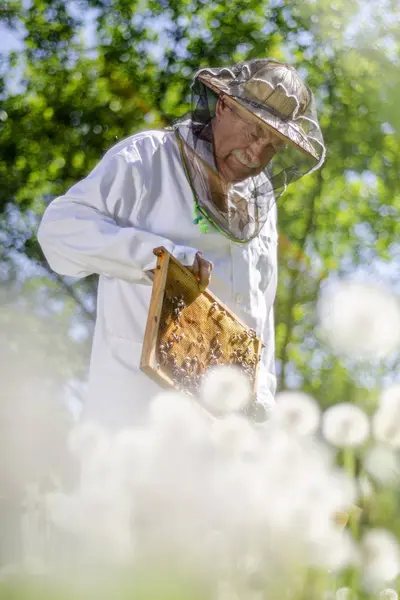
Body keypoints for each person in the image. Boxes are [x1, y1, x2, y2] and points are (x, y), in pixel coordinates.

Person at [38, 58, 325, 431]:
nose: (256, 154)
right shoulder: (149, 157)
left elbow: (259, 312)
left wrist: (262, 397)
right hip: (133, 425)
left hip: (220, 441)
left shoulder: (262, 211)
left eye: (273, 145)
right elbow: (59, 230)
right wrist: (158, 259)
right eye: (254, 131)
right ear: (223, 105)